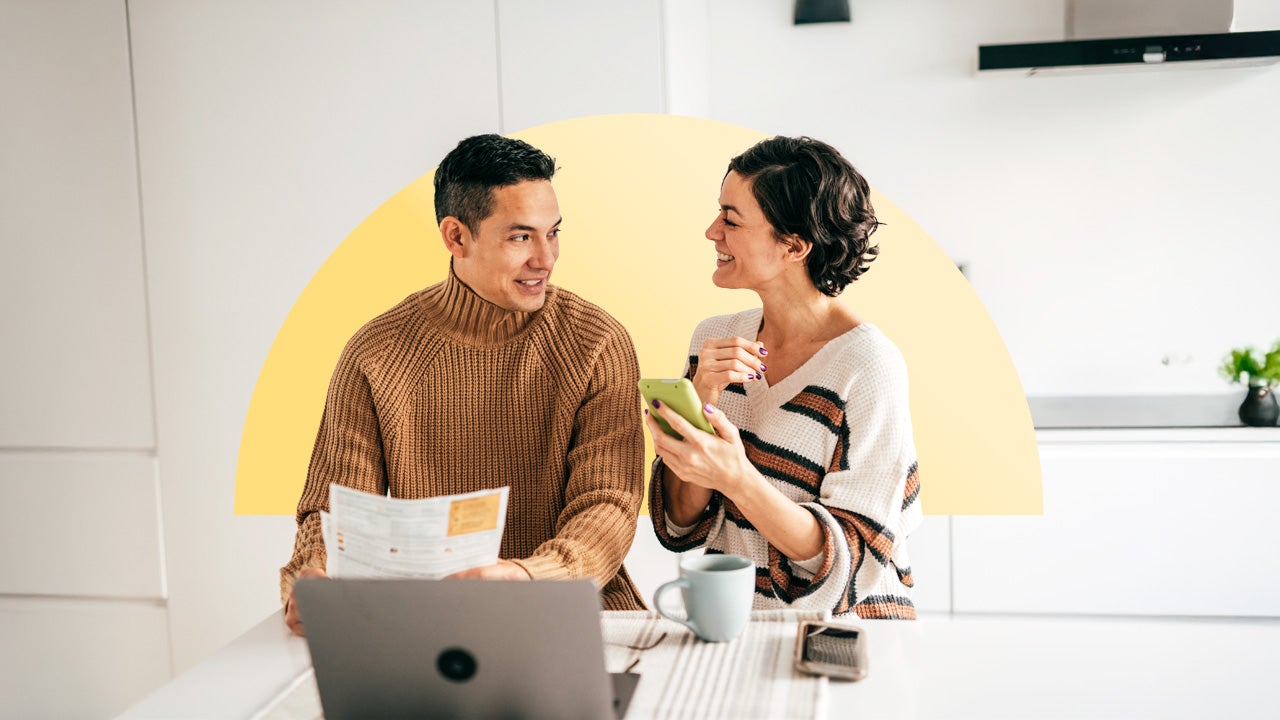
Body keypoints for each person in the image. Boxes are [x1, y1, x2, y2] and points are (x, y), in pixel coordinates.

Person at [280, 134, 647, 635]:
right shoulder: (375, 353)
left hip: (579, 614)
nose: (545, 258)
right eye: (521, 237)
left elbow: (609, 503)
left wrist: (526, 577)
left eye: (553, 233)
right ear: (456, 237)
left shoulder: (596, 342)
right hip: (430, 624)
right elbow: (333, 510)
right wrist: (316, 577)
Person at [644, 136, 922, 620]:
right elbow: (680, 524)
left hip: (845, 636)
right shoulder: (713, 342)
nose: (712, 231)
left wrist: (737, 477)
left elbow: (854, 561)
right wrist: (698, 406)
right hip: (742, 627)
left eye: (731, 220)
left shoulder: (868, 366)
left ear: (793, 246)